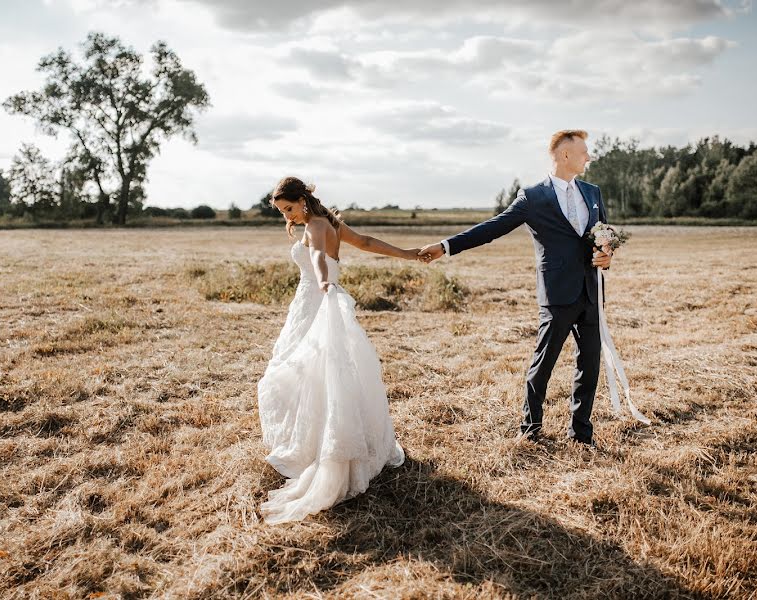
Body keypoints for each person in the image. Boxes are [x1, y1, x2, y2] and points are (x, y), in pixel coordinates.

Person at [417, 130, 614, 446]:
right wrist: (446, 246)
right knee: (543, 365)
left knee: (589, 365)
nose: (588, 157)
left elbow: (603, 233)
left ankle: (580, 434)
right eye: (583, 152)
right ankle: (531, 429)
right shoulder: (534, 197)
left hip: (591, 292)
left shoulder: (592, 192)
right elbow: (492, 228)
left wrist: (607, 253)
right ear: (565, 155)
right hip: (557, 294)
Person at [257, 176, 417, 523]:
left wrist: (324, 278)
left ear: (302, 199)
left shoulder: (316, 225)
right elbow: (367, 241)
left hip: (318, 298)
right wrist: (406, 253)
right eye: (282, 212)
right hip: (315, 298)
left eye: (288, 208)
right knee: (322, 372)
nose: (287, 217)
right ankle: (321, 440)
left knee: (304, 371)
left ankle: (319, 449)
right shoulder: (329, 222)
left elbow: (316, 254)